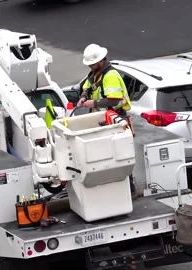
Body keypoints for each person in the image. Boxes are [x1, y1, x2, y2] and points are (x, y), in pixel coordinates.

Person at [77, 43, 142, 200]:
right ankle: (115, 187)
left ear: (102, 60)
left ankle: (129, 189)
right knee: (107, 155)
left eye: (93, 63)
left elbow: (114, 99)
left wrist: (95, 103)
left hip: (117, 120)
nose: (91, 66)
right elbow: (87, 87)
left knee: (120, 155)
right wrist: (84, 96)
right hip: (106, 120)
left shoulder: (110, 75)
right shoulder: (96, 73)